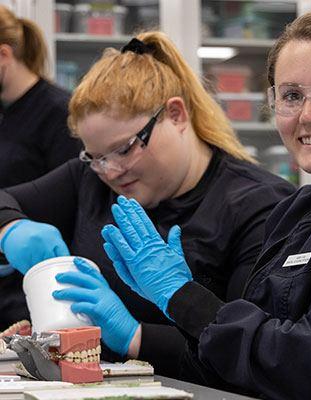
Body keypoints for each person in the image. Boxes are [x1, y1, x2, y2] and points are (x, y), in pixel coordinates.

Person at [73, 9, 311, 398]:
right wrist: (166, 309)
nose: (309, 116)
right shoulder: (296, 211)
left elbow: (309, 366)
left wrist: (183, 296)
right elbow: (248, 365)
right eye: (292, 96)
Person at [0, 31, 295, 376]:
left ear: (176, 114)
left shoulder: (260, 207)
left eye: (125, 149)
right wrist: (10, 228)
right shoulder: (91, 179)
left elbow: (256, 357)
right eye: (96, 157)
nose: (111, 171)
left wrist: (136, 336)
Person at [0, 5, 81, 330]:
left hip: (36, 290)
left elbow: (74, 204)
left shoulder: (58, 113)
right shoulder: (6, 113)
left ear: (4, 55)